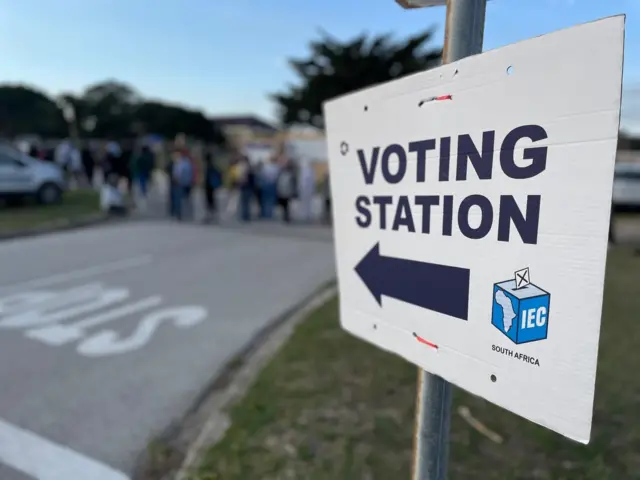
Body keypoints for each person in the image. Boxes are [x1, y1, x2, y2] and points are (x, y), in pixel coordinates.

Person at [172, 149, 195, 221]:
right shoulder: (188, 163)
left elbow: (177, 173)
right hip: (187, 183)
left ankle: (180, 213)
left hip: (180, 183)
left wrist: (176, 180)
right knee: (186, 199)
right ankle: (186, 213)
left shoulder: (179, 163)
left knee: (179, 199)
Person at [203, 151, 222, 222]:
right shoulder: (213, 166)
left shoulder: (209, 166)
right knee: (212, 200)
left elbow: (207, 177)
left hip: (208, 186)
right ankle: (212, 215)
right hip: (211, 186)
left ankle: (210, 216)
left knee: (209, 201)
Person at [277, 158, 296, 223]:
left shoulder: (291, 173)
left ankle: (287, 217)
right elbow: (278, 182)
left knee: (287, 205)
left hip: (288, 192)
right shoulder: (280, 172)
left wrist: (293, 191)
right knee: (283, 205)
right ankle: (285, 216)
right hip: (282, 191)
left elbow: (293, 183)